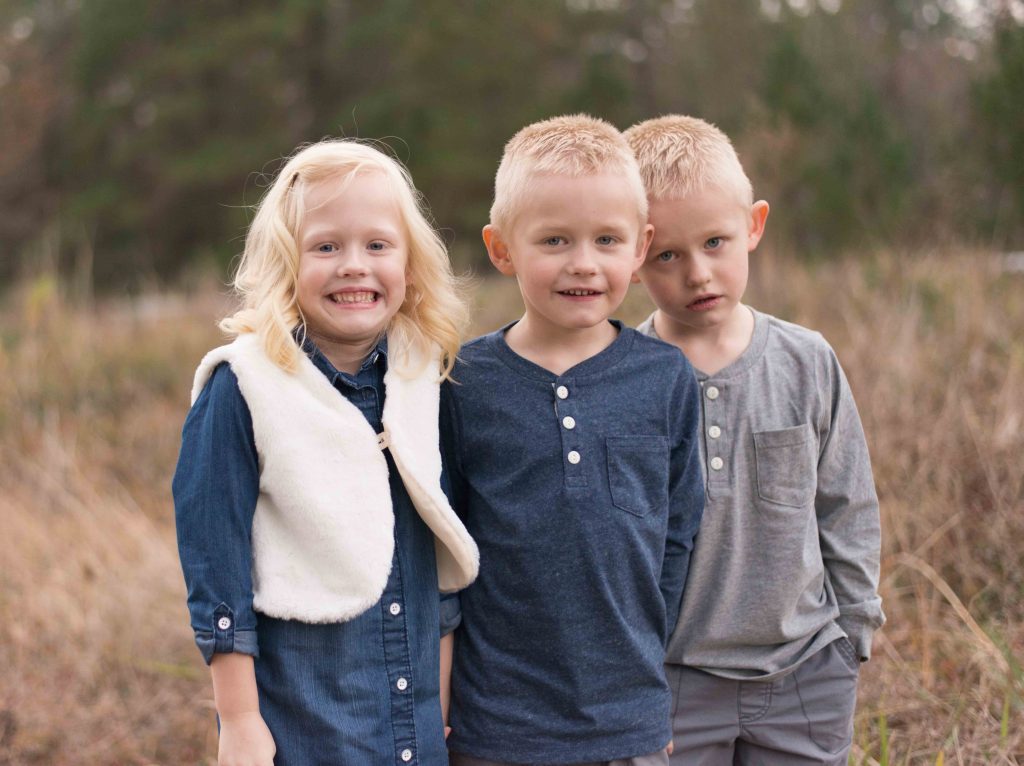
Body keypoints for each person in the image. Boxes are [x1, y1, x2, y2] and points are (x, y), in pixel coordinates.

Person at [172, 139, 479, 766]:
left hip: (415, 726)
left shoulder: (424, 381)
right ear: (287, 263)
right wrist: (239, 720)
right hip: (307, 727)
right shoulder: (243, 387)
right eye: (326, 247)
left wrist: (438, 708)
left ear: (410, 264)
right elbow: (217, 566)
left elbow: (439, 555)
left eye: (377, 245)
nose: (353, 265)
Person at [442, 114, 705, 766]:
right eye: (555, 240)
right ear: (502, 249)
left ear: (640, 248)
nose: (583, 264)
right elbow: (441, 550)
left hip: (628, 723)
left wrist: (648, 693)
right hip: (497, 725)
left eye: (607, 240)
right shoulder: (463, 383)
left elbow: (678, 535)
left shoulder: (665, 376)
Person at [625, 114, 885, 765]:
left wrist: (854, 633)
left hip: (805, 671)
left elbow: (846, 503)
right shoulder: (623, 374)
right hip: (674, 679)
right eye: (667, 256)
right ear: (631, 259)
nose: (698, 274)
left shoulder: (806, 360)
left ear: (755, 226)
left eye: (716, 242)